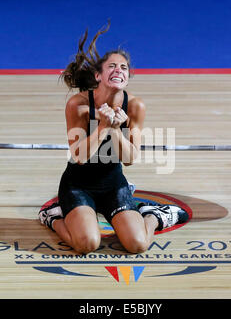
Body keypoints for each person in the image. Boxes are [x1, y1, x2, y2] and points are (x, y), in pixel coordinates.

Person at [39, 22, 187, 254]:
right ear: (98, 75)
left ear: (128, 77)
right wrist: (102, 127)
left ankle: (154, 217)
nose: (119, 70)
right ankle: (53, 217)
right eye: (112, 66)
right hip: (78, 186)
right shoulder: (78, 105)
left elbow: (129, 159)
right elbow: (79, 156)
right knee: (87, 244)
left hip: (113, 185)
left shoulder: (135, 106)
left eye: (124, 68)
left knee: (137, 245)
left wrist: (116, 130)